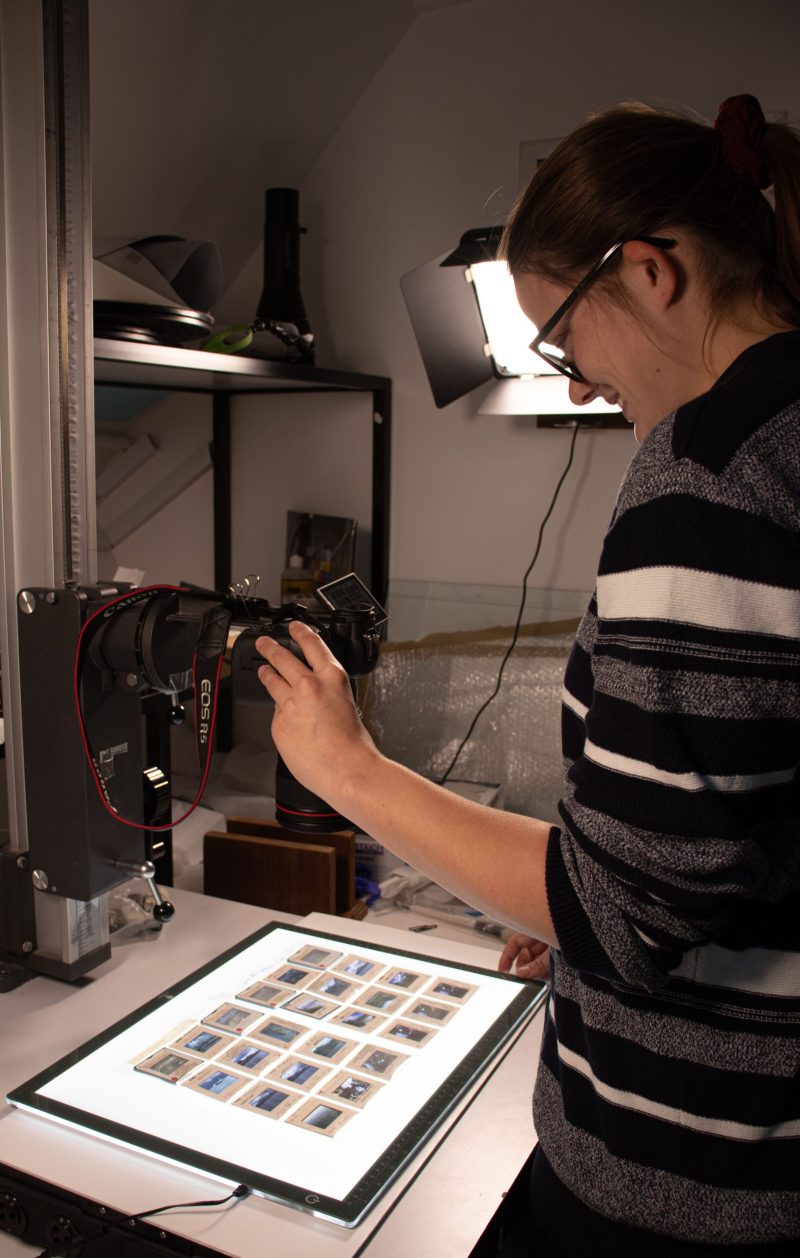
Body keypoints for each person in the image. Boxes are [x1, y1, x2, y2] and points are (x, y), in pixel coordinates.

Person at [255, 94, 800, 1255]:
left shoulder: (702, 483)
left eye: (563, 338)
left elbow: (626, 912)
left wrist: (348, 769)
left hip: (685, 1174)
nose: (574, 385)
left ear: (651, 273)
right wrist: (571, 900)